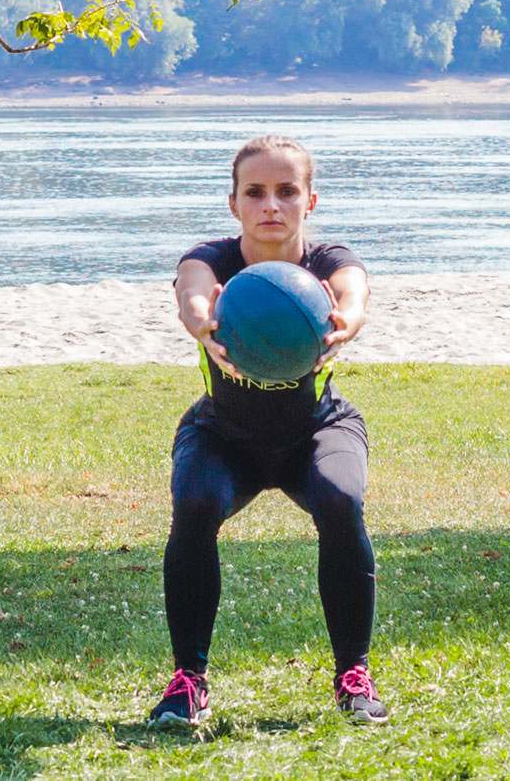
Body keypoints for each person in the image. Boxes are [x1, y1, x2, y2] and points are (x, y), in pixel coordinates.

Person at [148, 134, 388, 728]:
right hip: (224, 436)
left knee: (340, 499)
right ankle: (188, 681)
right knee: (196, 502)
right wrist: (204, 323)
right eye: (255, 193)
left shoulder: (329, 262)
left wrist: (345, 321)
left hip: (316, 431)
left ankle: (353, 676)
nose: (271, 205)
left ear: (311, 200)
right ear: (234, 203)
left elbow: (354, 292)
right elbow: (192, 291)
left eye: (287, 191)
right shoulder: (213, 258)